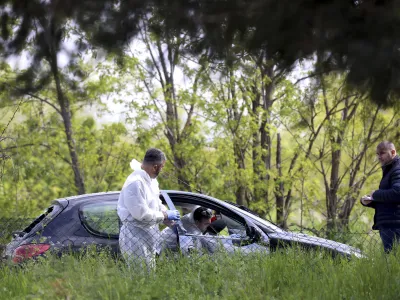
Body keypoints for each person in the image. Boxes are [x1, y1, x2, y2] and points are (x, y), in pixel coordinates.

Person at [117, 148, 180, 270]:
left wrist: (165, 213)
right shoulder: (135, 183)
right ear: (155, 167)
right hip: (134, 237)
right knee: (140, 279)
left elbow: (155, 203)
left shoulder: (150, 181)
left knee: (148, 276)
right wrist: (165, 215)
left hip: (147, 236)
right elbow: (142, 214)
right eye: (162, 167)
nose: (162, 170)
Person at [361, 141, 400, 253]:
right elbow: (391, 199)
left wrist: (376, 194)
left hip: (394, 227)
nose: (379, 157)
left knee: (393, 264)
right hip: (390, 225)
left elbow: (398, 193)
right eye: (377, 154)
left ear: (392, 152)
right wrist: (370, 201)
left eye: (382, 153)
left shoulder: (397, 169)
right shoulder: (390, 169)